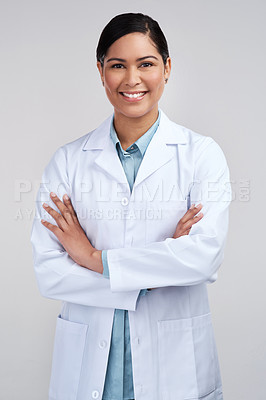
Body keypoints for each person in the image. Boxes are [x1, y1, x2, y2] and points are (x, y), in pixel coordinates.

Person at [31, 12, 231, 400]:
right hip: (91, 370)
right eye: (117, 65)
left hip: (173, 370)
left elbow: (203, 256)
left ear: (167, 68)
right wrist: (161, 266)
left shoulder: (201, 155)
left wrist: (92, 257)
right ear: (101, 71)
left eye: (146, 64)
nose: (132, 79)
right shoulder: (69, 161)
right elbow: (50, 272)